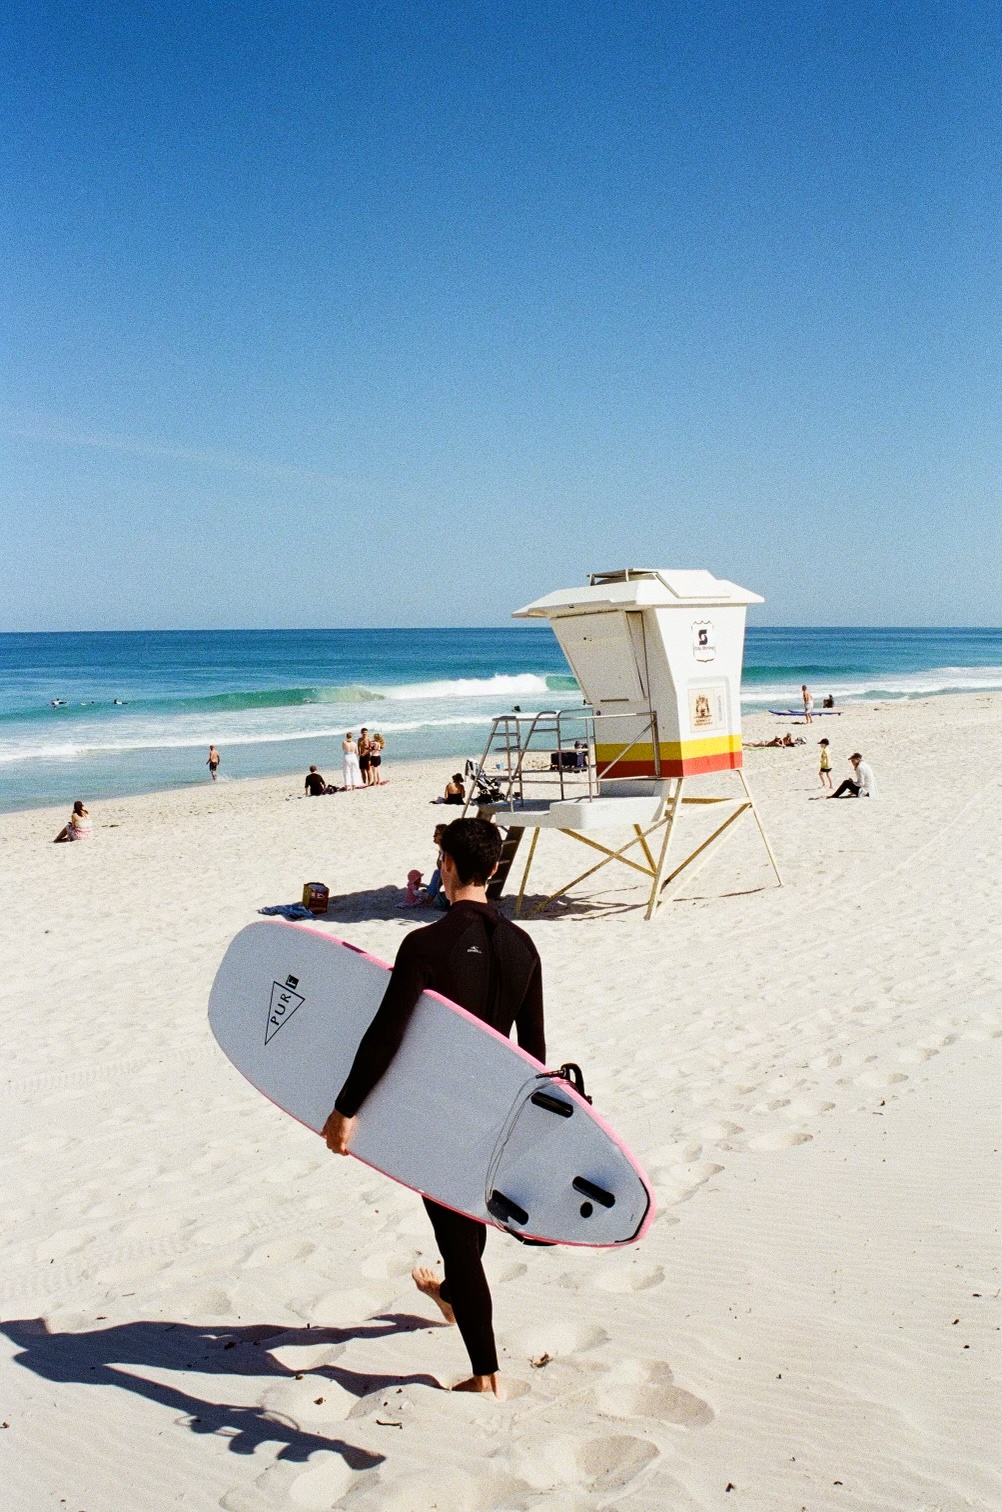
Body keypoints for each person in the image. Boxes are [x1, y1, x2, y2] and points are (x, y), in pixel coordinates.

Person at [323, 818, 544, 1398]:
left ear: (446, 866)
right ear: (494, 870)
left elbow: (386, 1034)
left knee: (457, 1242)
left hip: (440, 1117)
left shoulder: (424, 945)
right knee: (465, 1223)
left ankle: (485, 1376)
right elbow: (535, 1054)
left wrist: (346, 1109)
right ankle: (450, 1296)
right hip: (497, 1115)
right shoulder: (524, 947)